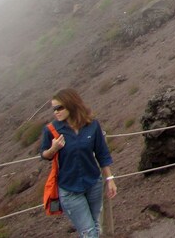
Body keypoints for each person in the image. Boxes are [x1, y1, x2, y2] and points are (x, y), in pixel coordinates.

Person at [40, 88, 117, 238]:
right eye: (54, 109)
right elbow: (44, 154)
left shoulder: (92, 125)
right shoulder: (51, 130)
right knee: (88, 231)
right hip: (69, 189)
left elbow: (102, 153)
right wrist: (53, 149)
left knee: (95, 225)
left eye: (59, 108)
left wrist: (110, 179)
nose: (56, 112)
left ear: (71, 104)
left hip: (93, 183)